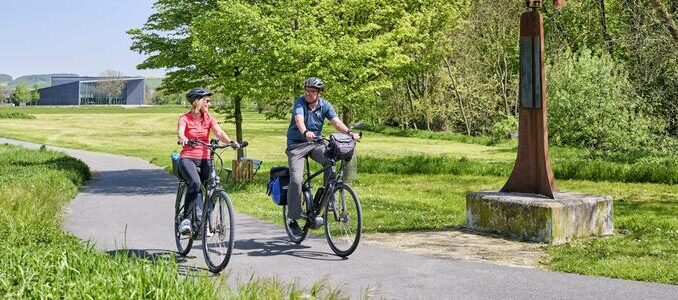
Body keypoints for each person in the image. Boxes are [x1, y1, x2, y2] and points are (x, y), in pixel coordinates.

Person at [285, 77, 360, 235]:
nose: (308, 93)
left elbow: (336, 122)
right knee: (297, 180)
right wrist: (305, 132)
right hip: (296, 146)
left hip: (315, 143)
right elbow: (299, 120)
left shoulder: (325, 105)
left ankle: (329, 200)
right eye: (307, 90)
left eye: (312, 91)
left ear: (319, 93)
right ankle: (292, 218)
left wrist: (349, 133)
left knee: (330, 160)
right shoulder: (299, 103)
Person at [177, 87, 239, 235]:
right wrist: (183, 138)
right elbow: (180, 131)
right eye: (206, 101)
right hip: (188, 158)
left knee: (215, 187)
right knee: (195, 183)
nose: (209, 104)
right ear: (196, 101)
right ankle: (185, 220)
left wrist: (230, 142)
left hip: (205, 158)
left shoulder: (209, 118)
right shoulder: (184, 118)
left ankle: (202, 221)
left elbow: (219, 132)